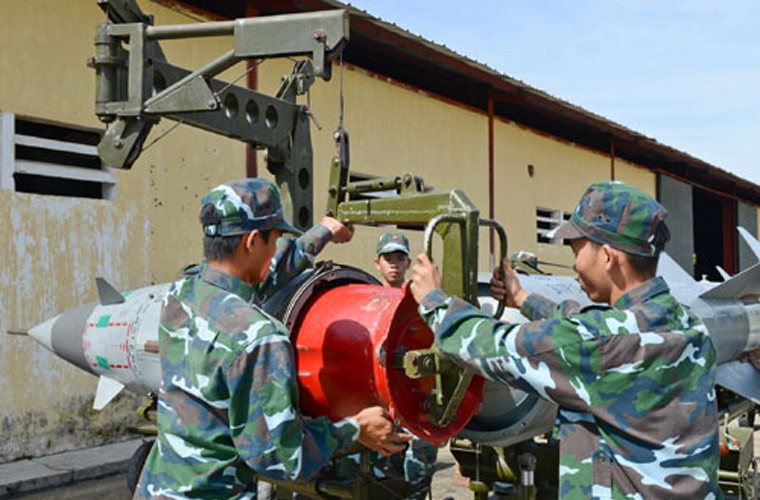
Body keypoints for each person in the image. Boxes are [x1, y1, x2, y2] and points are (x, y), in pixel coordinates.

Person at [410, 180, 721, 498]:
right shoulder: (686, 324)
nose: (575, 265)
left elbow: (493, 346)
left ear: (609, 257)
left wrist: (436, 303)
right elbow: (583, 328)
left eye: (577, 250)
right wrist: (523, 299)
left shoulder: (601, 344)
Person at [135, 178, 410, 499]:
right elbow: (283, 458)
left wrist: (325, 231)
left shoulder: (182, 293)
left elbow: (260, 275)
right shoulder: (260, 338)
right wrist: (356, 428)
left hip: (160, 488)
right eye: (276, 238)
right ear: (252, 241)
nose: (278, 246)